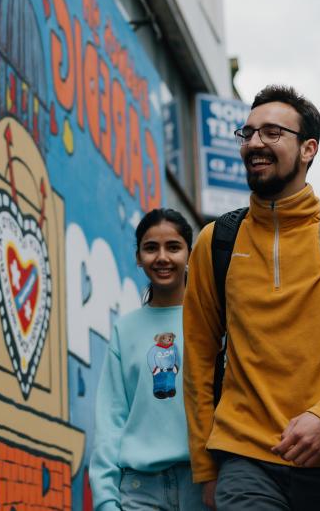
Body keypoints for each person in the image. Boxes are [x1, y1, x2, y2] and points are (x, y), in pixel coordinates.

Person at [182, 85, 320, 510]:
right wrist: (206, 466)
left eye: (271, 133)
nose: (254, 144)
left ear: (308, 149)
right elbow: (198, 359)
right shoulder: (216, 243)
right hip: (247, 460)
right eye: (247, 134)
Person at [90, 208, 203, 510]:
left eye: (174, 247)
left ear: (190, 254)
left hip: (204, 484)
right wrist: (105, 500)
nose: (162, 257)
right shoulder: (124, 330)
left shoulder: (212, 322)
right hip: (140, 489)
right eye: (151, 248)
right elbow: (110, 419)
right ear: (138, 257)